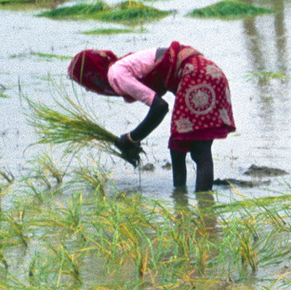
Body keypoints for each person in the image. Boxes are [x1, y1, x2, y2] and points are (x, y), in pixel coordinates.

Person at [68, 43, 235, 193]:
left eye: (84, 83)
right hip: (207, 72)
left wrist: (131, 138)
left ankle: (205, 211)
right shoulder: (121, 66)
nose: (89, 89)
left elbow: (160, 107)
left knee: (200, 151)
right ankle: (180, 200)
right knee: (178, 145)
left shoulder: (116, 74)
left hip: (197, 76)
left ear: (91, 76)